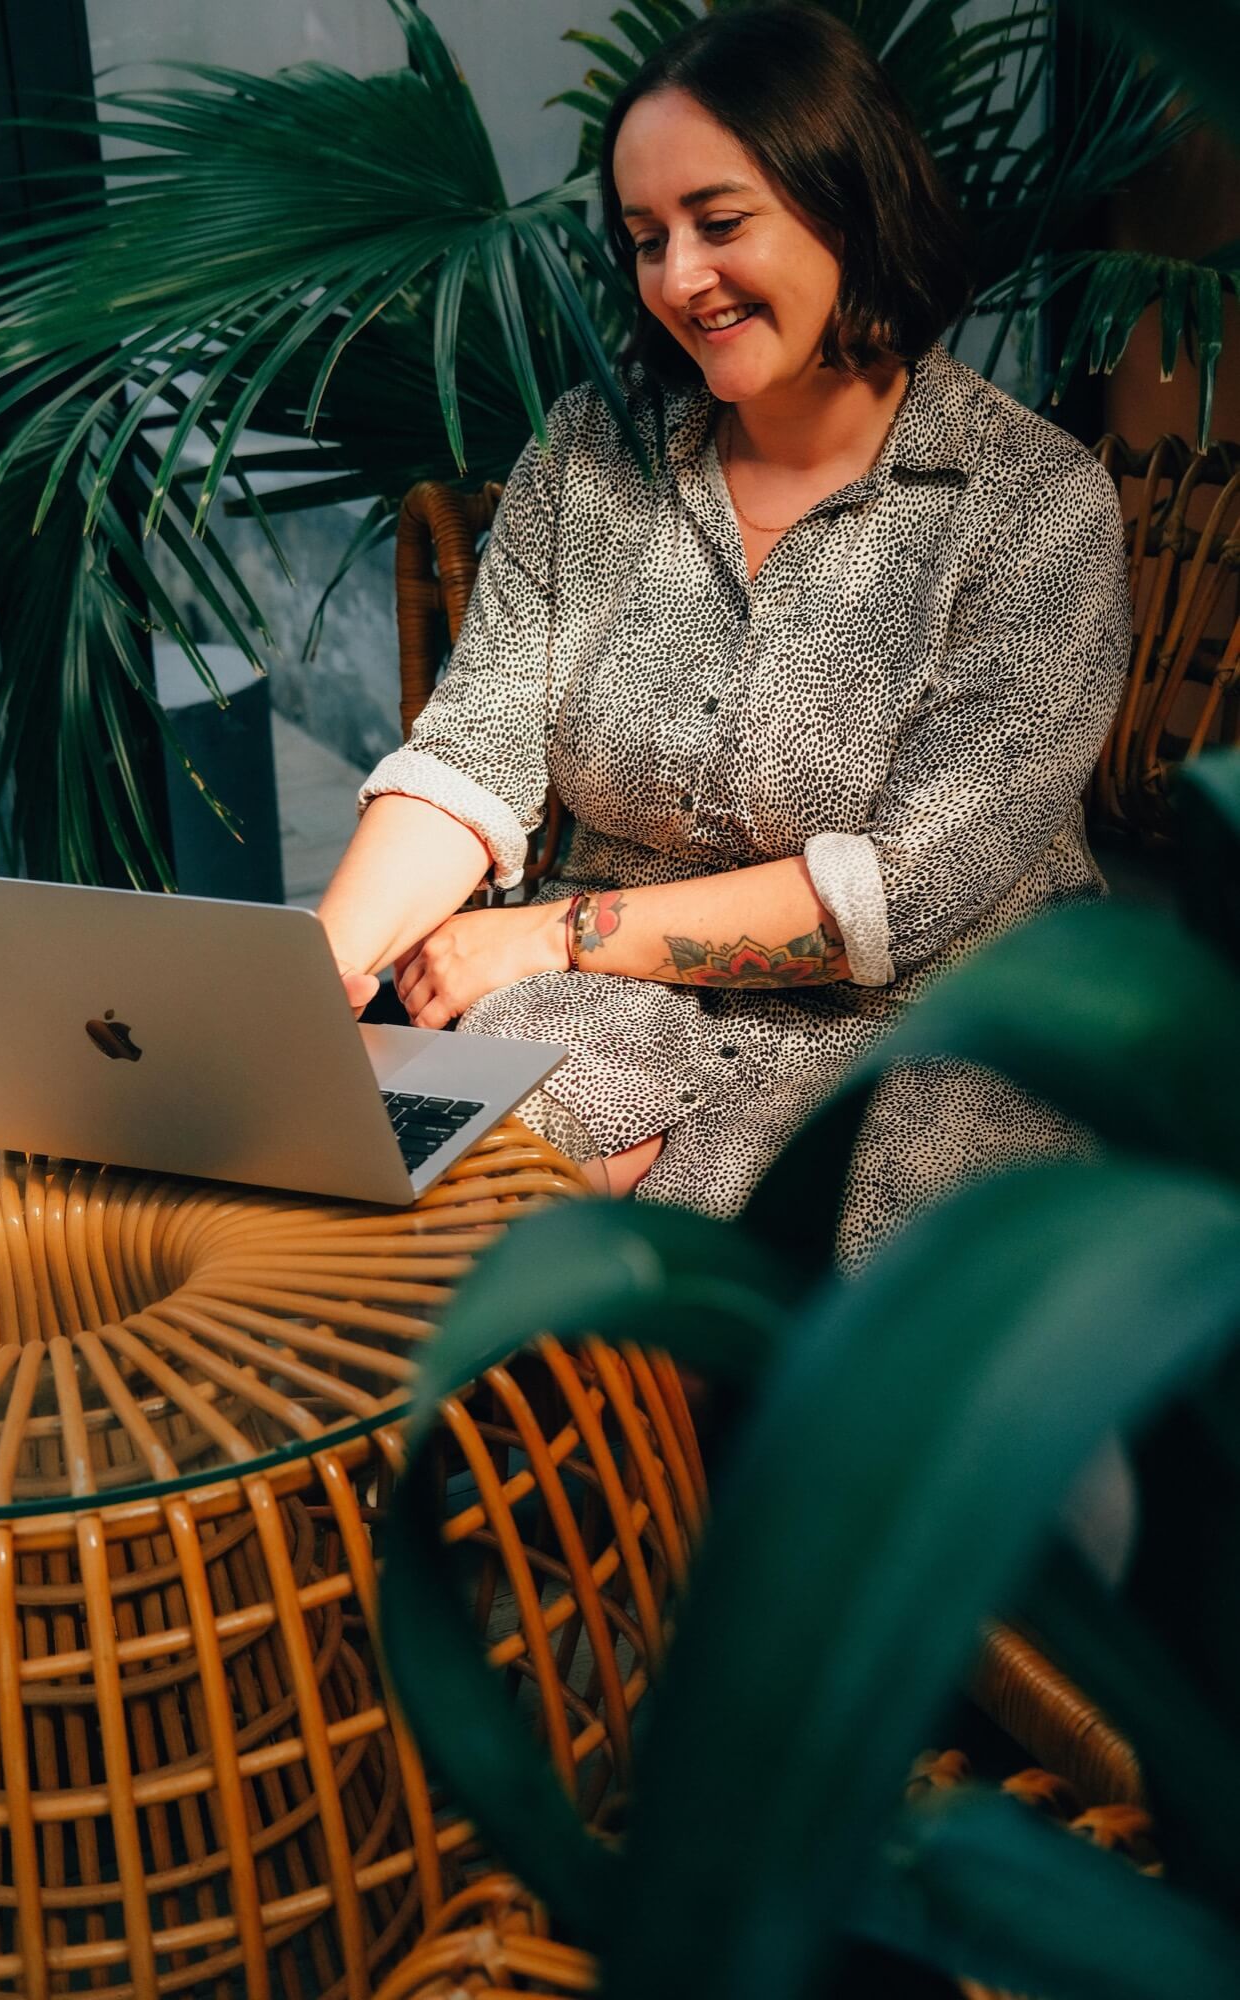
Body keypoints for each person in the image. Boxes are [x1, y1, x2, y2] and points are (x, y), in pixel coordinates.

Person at [318, 2, 1129, 1255]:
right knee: (412, 1230)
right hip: (599, 1005)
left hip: (924, 1034)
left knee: (797, 1339)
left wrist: (552, 933)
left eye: (720, 221)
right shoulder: (592, 450)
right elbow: (473, 754)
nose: (677, 278)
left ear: (846, 207)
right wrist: (319, 969)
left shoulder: (1033, 505)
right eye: (646, 239)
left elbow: (895, 896)